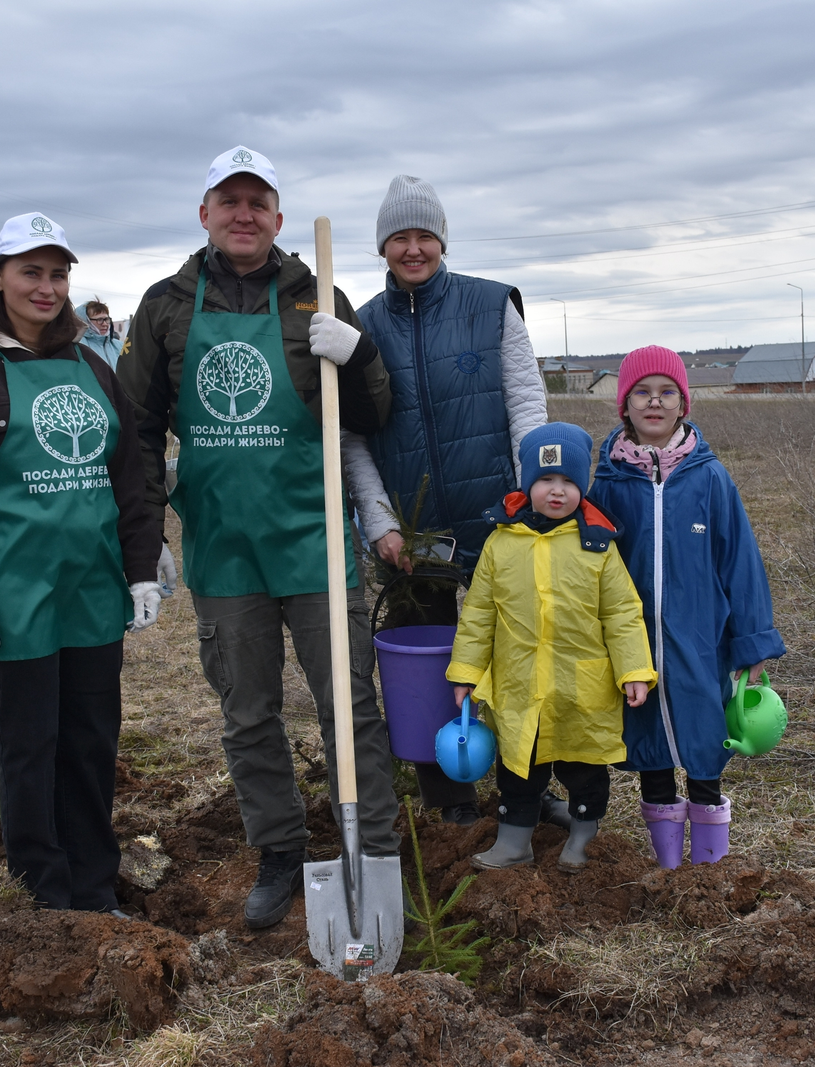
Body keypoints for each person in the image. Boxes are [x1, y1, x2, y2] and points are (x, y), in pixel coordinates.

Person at [117, 146, 401, 930]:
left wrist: (362, 352)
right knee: (248, 712)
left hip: (314, 540)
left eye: (258, 202)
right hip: (223, 544)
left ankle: (371, 848)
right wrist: (148, 537)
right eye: (228, 201)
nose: (243, 215)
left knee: (350, 705)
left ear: (277, 217)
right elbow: (136, 431)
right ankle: (279, 850)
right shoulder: (167, 305)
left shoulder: (318, 295)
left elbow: (373, 413)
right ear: (204, 213)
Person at [0, 212, 163, 913]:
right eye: (31, 272)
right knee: (31, 744)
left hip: (90, 586)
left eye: (58, 274)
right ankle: (44, 893)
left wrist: (140, 564)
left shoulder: (91, 366)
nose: (47, 287)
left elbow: (129, 479)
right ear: (0, 279)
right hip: (15, 592)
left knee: (90, 741)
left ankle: (94, 884)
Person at [342, 174, 548, 826]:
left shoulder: (491, 307)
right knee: (429, 665)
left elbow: (526, 404)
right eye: (399, 237)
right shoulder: (364, 326)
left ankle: (529, 788)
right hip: (414, 533)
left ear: (441, 240)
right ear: (382, 246)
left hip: (498, 517)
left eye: (423, 235)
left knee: (519, 656)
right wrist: (379, 521)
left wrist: (530, 499)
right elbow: (353, 438)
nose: (412, 248)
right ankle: (448, 799)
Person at [586, 346, 787, 868]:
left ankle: (709, 867)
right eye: (641, 393)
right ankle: (669, 864)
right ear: (624, 405)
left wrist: (751, 643)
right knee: (647, 736)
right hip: (634, 645)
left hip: (701, 638)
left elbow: (740, 563)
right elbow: (588, 568)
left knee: (703, 733)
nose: (654, 402)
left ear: (683, 404)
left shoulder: (710, 478)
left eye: (666, 392)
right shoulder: (606, 482)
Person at [444, 423, 656, 873]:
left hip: (582, 690)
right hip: (520, 687)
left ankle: (583, 837)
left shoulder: (597, 546)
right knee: (519, 768)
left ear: (581, 487)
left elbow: (621, 613)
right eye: (545, 480)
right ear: (526, 486)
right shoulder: (501, 542)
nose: (556, 491)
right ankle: (514, 840)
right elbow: (479, 613)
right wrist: (465, 671)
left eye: (567, 482)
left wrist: (634, 669)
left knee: (585, 770)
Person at [76, 299, 120, 368]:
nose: (105, 324)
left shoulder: (120, 346)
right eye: (99, 320)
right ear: (85, 321)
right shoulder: (78, 346)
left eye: (106, 319)